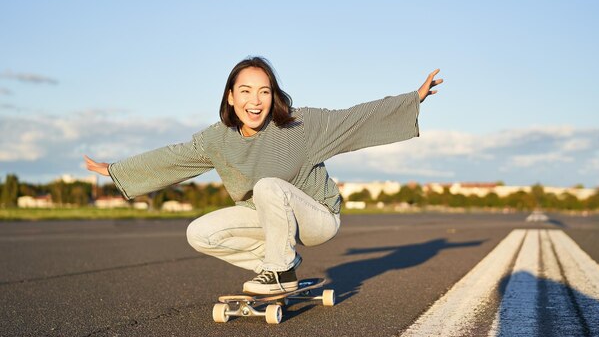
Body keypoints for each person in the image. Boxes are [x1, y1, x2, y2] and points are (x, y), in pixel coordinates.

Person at [84, 56, 443, 295]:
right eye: (245, 91)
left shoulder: (300, 126)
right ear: (230, 97)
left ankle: (280, 270)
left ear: (273, 97)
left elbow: (355, 119)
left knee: (269, 185)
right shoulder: (217, 139)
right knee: (199, 233)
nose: (255, 101)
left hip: (317, 217)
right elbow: (173, 158)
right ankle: (279, 265)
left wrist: (414, 98)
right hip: (269, 220)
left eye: (264, 92)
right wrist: (115, 171)